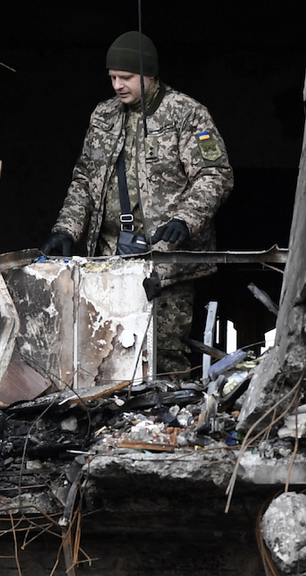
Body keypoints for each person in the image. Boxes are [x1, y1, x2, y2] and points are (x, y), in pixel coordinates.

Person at [43, 31, 233, 374]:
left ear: (150, 74)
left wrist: (186, 219)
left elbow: (215, 174)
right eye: (113, 77)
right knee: (104, 356)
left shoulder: (186, 114)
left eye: (126, 77)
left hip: (165, 262)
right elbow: (84, 179)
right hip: (109, 259)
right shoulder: (104, 116)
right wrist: (66, 229)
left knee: (164, 357)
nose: (118, 85)